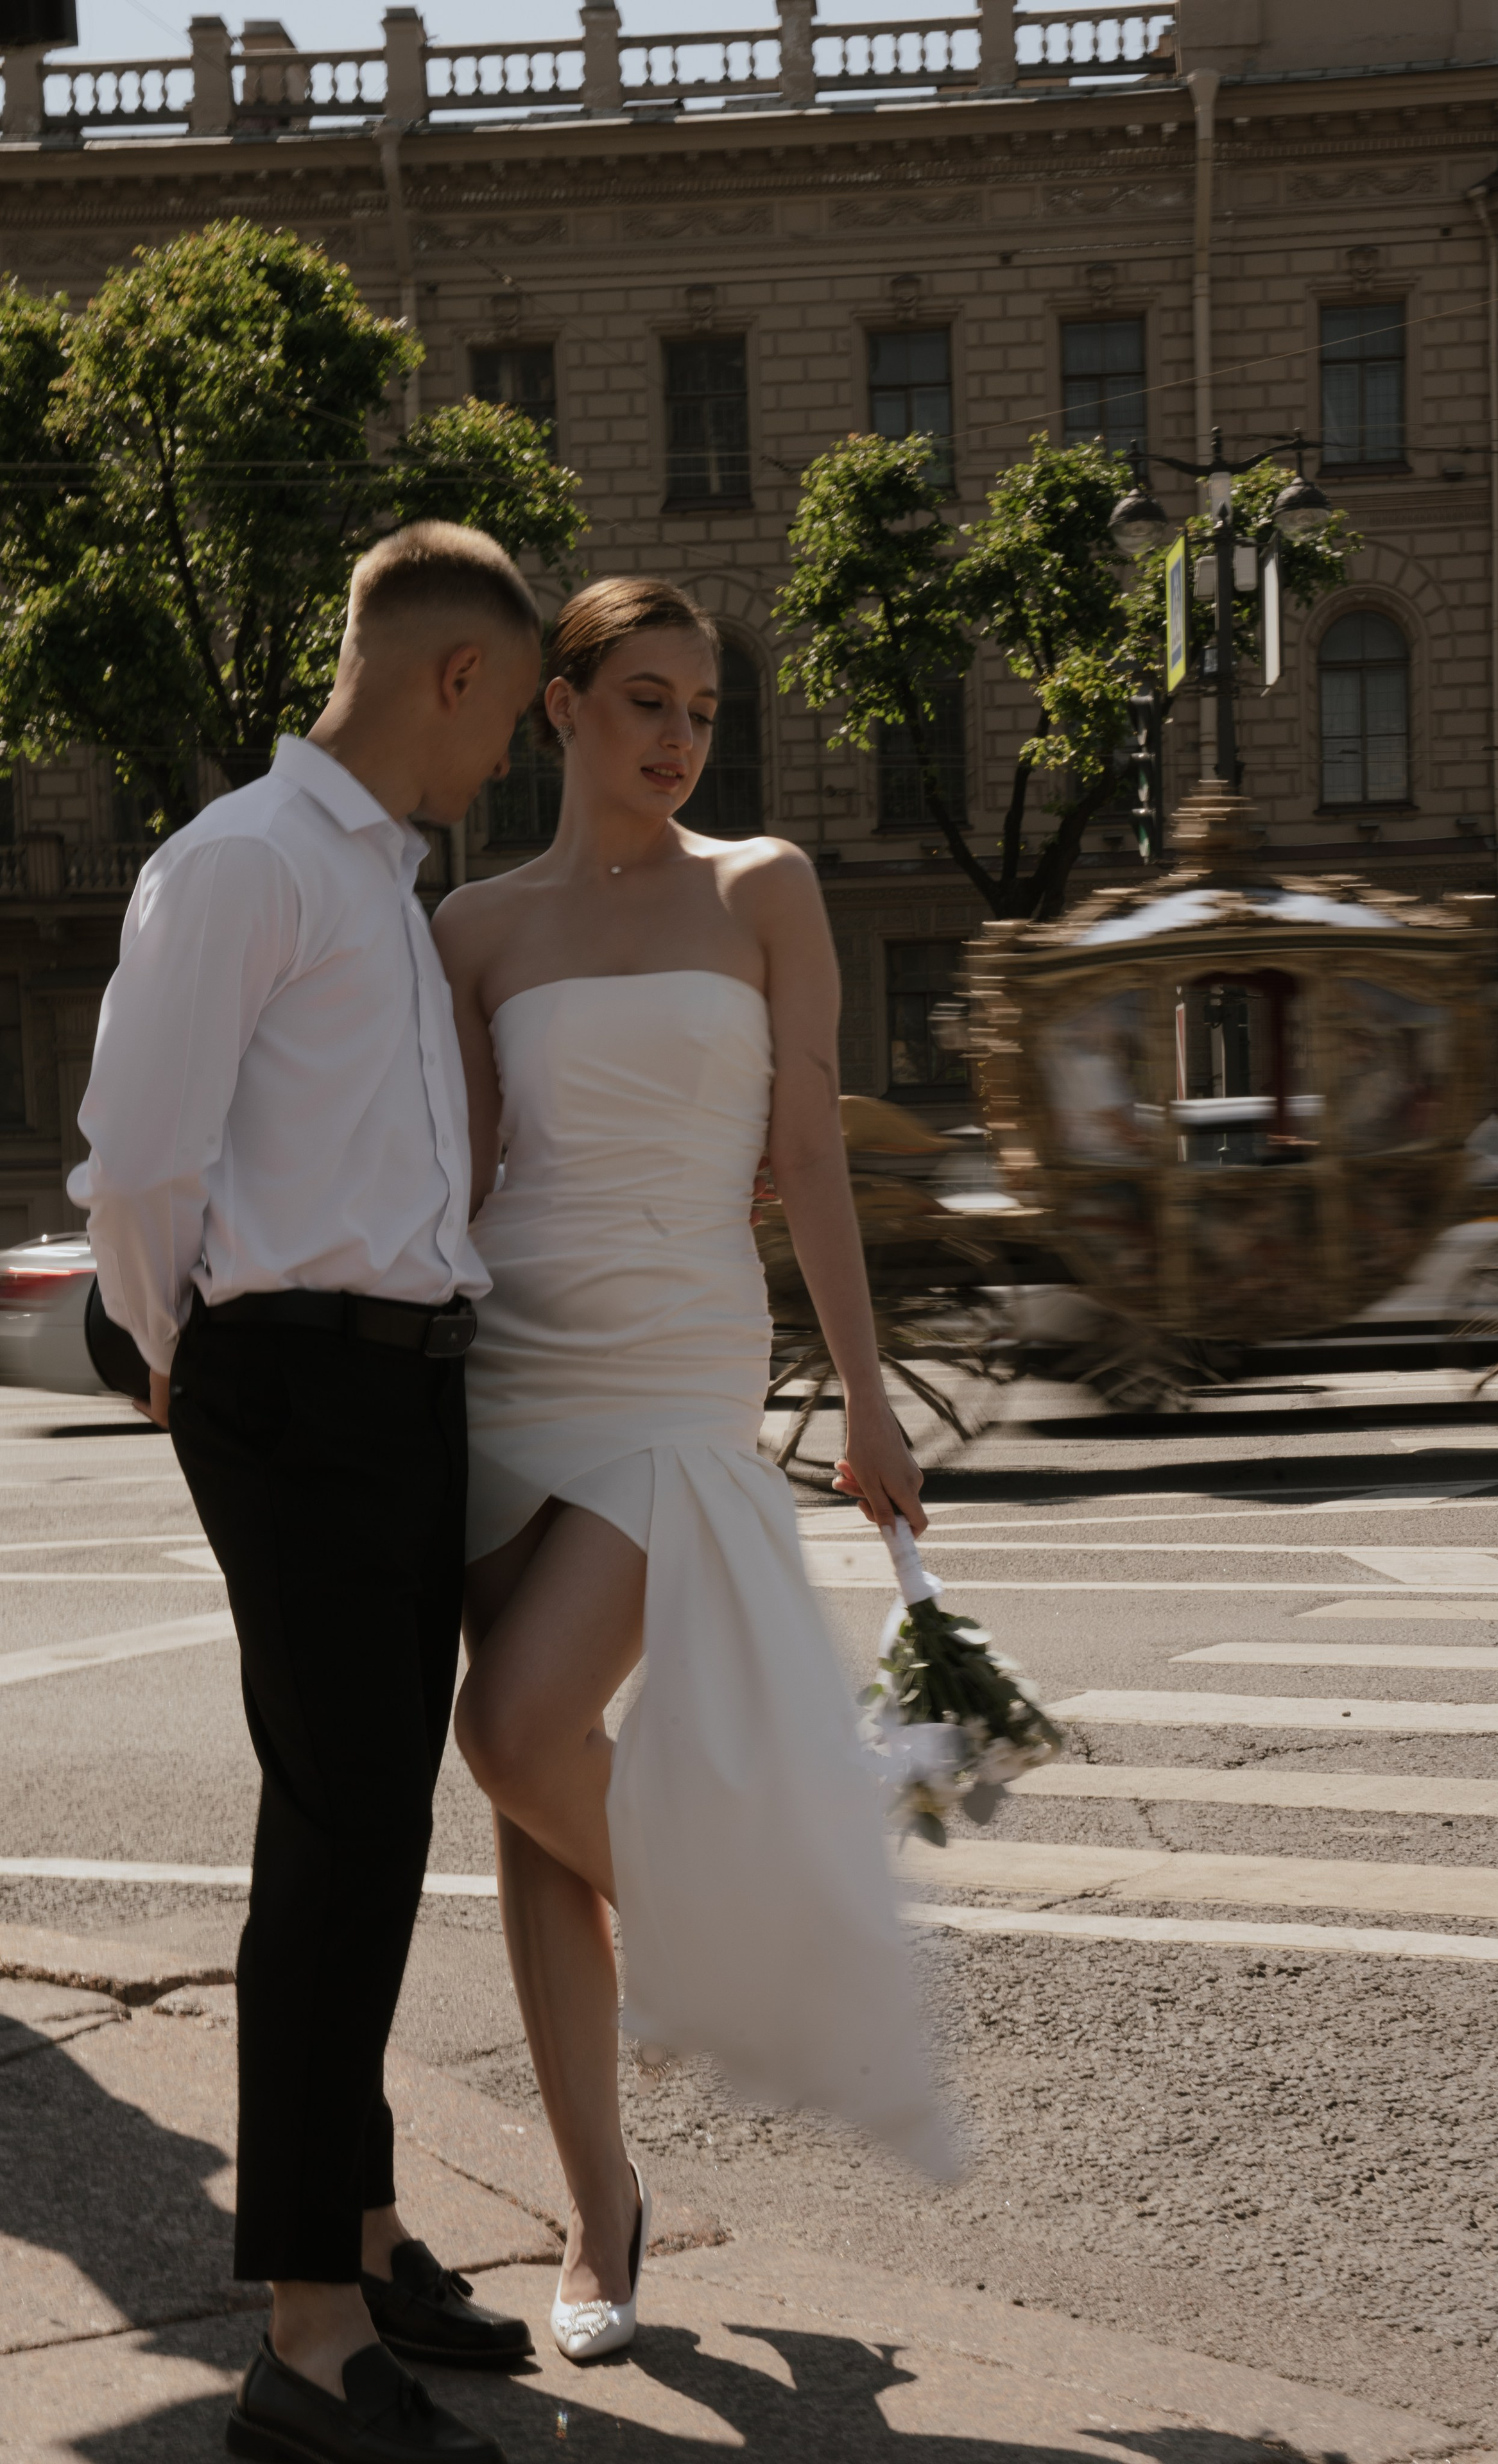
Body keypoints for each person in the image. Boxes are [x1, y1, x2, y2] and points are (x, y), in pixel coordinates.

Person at [433, 575, 955, 2368]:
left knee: (510, 1733)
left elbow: (806, 1153)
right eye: (643, 702)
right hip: (513, 1356)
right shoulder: (474, 925)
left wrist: (867, 1403)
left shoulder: (767, 890)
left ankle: (749, 1948)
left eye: (703, 712)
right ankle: (600, 2211)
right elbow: (456, 1184)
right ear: (560, 708)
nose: (677, 738)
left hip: (675, 1361)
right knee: (527, 1797)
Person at [70, 523, 545, 2464]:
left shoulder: (374, 885)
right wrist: (175, 1354)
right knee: (333, 1842)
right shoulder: (248, 863)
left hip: (392, 1386)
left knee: (366, 1828)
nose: (510, 750)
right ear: (449, 680)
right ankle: (309, 2335)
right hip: (293, 1382)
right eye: (512, 710)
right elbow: (139, 1157)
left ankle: (358, 2230)